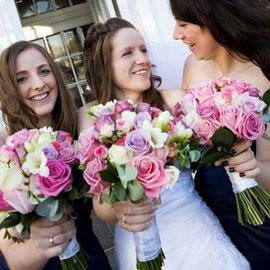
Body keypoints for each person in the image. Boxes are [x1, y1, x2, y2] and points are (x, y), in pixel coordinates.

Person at [80, 17, 250, 270]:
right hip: (141, 241)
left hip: (196, 232)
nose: (142, 59)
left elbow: (222, 136)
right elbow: (100, 204)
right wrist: (122, 207)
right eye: (128, 53)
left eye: (143, 50)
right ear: (104, 65)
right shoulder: (91, 116)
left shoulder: (174, 101)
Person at [169, 0, 270, 269]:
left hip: (258, 216)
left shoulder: (262, 76)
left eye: (183, 24)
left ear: (209, 19)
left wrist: (255, 166)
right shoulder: (192, 66)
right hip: (210, 209)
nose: (176, 34)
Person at [0, 41, 111, 270]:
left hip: (94, 261)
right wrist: (38, 247)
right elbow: (8, 254)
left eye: (44, 71)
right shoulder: (5, 149)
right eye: (22, 79)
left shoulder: (78, 129)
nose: (39, 84)